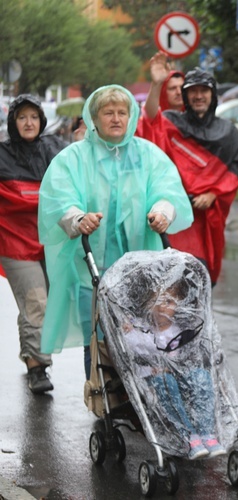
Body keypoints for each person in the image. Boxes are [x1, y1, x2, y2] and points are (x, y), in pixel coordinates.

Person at [37, 85, 194, 379]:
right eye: (108, 112)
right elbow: (59, 197)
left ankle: (138, 398)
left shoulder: (147, 155)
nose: (116, 118)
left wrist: (162, 212)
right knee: (95, 337)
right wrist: (78, 218)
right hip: (90, 269)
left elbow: (167, 190)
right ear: (93, 118)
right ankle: (101, 397)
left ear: (131, 116)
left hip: (141, 271)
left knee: (142, 336)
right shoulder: (74, 158)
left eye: (122, 112)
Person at [138, 52, 238, 286]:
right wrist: (156, 84)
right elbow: (151, 121)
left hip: (206, 218)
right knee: (170, 281)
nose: (198, 96)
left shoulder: (228, 132)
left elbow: (233, 174)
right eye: (192, 91)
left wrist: (214, 193)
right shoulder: (173, 121)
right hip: (174, 212)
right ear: (185, 95)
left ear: (213, 94)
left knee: (201, 279)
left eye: (203, 91)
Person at [0, 94, 66, 394]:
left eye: (34, 117)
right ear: (13, 122)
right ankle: (38, 367)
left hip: (52, 242)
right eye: (22, 117)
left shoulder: (55, 148)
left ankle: (30, 354)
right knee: (35, 302)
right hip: (15, 243)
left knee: (46, 305)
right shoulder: (1, 154)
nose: (29, 123)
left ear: (41, 120)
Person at [124, 278, 225, 460]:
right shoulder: (142, 330)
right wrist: (128, 329)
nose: (162, 307)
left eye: (169, 302)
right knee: (166, 382)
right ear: (148, 305)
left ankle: (206, 433)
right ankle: (189, 436)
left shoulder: (181, 330)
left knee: (201, 376)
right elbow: (131, 347)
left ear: (178, 305)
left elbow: (188, 356)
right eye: (157, 301)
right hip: (154, 379)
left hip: (180, 375)